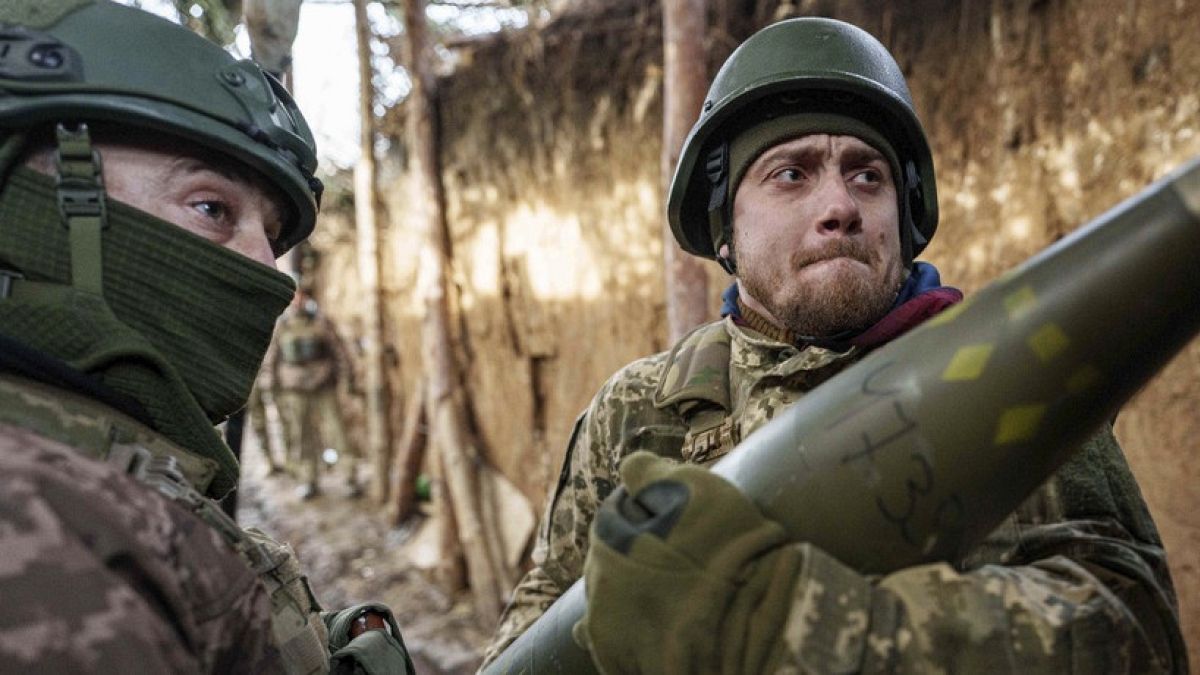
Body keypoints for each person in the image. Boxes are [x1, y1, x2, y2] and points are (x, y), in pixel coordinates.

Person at [484, 17, 1185, 673]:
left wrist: (807, 625)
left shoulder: (1010, 368)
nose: (841, 205)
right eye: (791, 173)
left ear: (902, 218)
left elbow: (1136, 630)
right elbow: (537, 633)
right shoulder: (639, 411)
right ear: (724, 229)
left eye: (866, 174)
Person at [0, 2, 413, 672]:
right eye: (211, 208)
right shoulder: (43, 525)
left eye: (272, 234)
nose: (264, 268)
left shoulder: (109, 465)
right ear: (37, 203)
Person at [270, 285, 361, 499]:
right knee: (302, 435)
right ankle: (308, 479)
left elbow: (339, 351)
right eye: (294, 298)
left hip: (323, 386)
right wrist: (272, 387)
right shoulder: (283, 326)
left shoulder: (321, 323)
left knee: (337, 431)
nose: (298, 302)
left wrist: (347, 378)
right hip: (295, 389)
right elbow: (273, 358)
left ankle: (350, 477)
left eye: (302, 297)